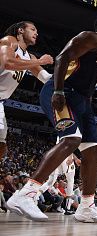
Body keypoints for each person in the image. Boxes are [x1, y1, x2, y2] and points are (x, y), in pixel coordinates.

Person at [7, 15, 97, 222]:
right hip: (64, 92)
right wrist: (57, 90)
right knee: (71, 139)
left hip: (83, 101)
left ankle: (86, 205)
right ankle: (26, 194)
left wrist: (87, 109)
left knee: (93, 149)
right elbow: (62, 58)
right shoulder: (91, 37)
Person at [0, 21, 54, 161]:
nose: (36, 33)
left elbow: (47, 79)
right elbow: (8, 63)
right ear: (20, 31)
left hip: (1, 102)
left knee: (2, 145)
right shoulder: (9, 41)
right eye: (33, 29)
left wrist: (69, 76)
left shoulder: (30, 58)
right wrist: (40, 62)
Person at [38, 150, 81, 214]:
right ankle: (67, 208)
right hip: (66, 155)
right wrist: (71, 156)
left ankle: (33, 197)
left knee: (50, 181)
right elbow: (69, 144)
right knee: (70, 181)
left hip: (56, 156)